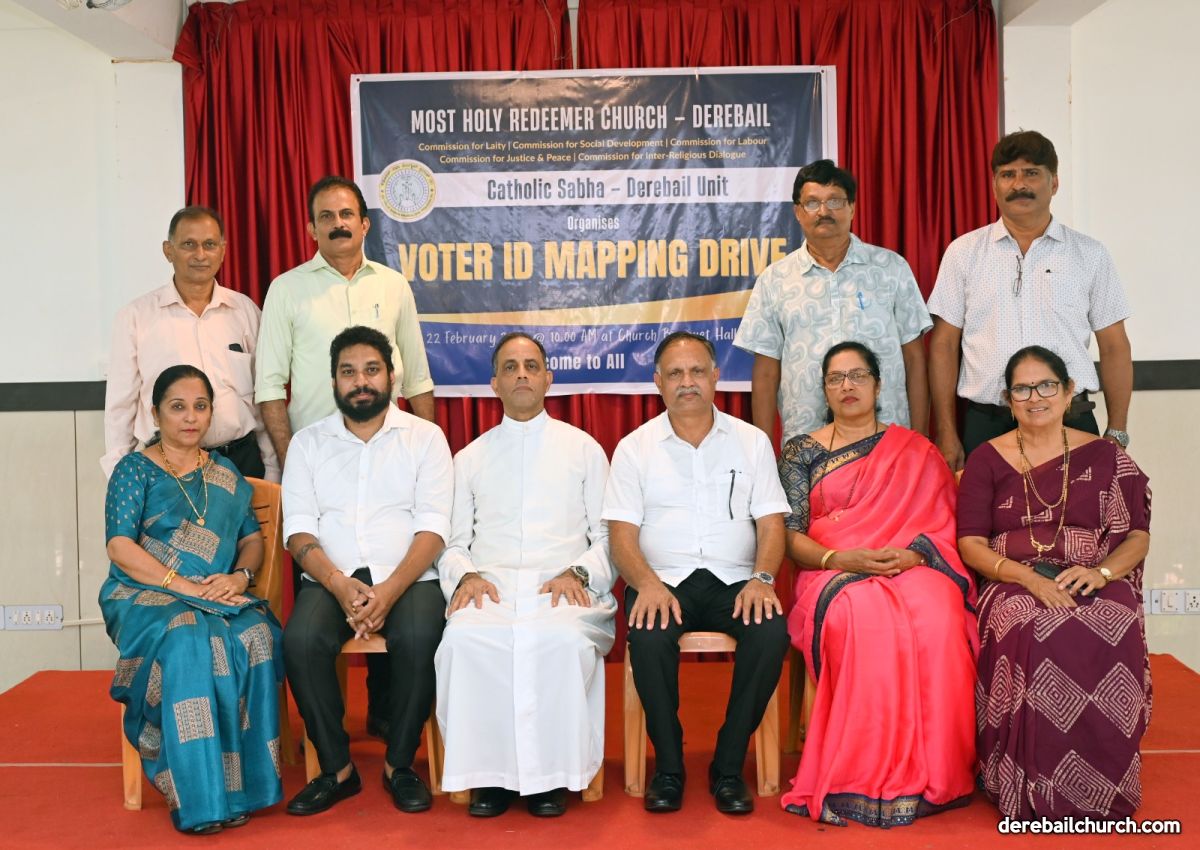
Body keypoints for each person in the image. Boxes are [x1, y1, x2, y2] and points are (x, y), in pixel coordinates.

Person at [257, 175, 436, 733]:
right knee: (321, 610)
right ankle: (329, 740)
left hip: (390, 460)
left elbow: (418, 378)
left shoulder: (394, 285)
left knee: (395, 585)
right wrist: (294, 463)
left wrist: (428, 454)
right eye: (325, 216)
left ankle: (388, 722)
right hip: (320, 468)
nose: (337, 224)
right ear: (311, 228)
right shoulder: (287, 289)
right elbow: (270, 387)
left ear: (365, 223)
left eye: (346, 214)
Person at [775, 341, 978, 827]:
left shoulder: (916, 450)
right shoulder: (802, 452)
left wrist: (913, 556)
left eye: (858, 376)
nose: (847, 386)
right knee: (865, 618)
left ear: (879, 385)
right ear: (825, 390)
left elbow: (944, 524)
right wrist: (840, 558)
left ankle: (939, 771)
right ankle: (858, 774)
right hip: (833, 570)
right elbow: (789, 535)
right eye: (836, 378)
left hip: (910, 564)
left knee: (939, 616)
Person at [958, 345, 1151, 820]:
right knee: (1032, 624)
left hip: (1092, 575)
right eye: (1022, 389)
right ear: (1008, 401)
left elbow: (1137, 535)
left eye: (1046, 386)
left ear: (1069, 392)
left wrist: (1101, 573)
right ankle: (1029, 785)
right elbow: (971, 544)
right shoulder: (987, 459)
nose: (1035, 398)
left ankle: (1102, 785)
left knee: (1115, 618)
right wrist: (1028, 578)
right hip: (1012, 580)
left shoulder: (1106, 455)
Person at [603, 331, 790, 815]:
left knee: (770, 632)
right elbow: (621, 535)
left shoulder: (751, 441)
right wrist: (647, 584)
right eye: (675, 373)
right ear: (658, 382)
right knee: (648, 635)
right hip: (662, 580)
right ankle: (669, 768)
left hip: (736, 580)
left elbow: (772, 523)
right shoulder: (634, 448)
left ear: (715, 376)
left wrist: (762, 579)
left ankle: (727, 765)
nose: (687, 382)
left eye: (697, 371)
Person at [436, 332, 615, 818]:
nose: (521, 375)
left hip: (563, 589)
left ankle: (550, 779)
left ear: (548, 379)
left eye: (531, 366)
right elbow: (452, 543)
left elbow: (608, 537)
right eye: (510, 367)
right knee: (465, 641)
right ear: (494, 383)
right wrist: (466, 577)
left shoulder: (583, 449)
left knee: (558, 641)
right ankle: (489, 777)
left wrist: (578, 572)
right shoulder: (468, 458)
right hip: (491, 590)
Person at [100, 364, 283, 834]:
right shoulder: (134, 469)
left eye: (200, 407)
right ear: (155, 413)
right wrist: (179, 584)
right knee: (188, 640)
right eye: (178, 407)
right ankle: (199, 798)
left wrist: (241, 577)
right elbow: (119, 547)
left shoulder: (225, 473)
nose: (190, 417)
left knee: (258, 635)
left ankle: (244, 789)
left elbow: (252, 539)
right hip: (144, 593)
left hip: (217, 595)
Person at [281, 325, 452, 816]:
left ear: (391, 376)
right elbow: (298, 531)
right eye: (348, 372)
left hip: (409, 576)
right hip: (330, 577)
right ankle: (337, 769)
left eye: (371, 370)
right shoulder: (308, 444)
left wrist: (390, 590)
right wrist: (337, 584)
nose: (361, 381)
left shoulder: (426, 438)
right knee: (300, 641)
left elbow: (434, 528)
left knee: (421, 638)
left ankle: (400, 765)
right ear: (333, 381)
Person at [928, 130, 1134, 469]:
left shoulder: (1090, 254)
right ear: (994, 185)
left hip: (1071, 421)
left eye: (1032, 173)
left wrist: (1117, 431)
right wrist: (947, 432)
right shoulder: (963, 253)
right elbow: (943, 345)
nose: (1019, 184)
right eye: (1007, 174)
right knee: (984, 507)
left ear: (1054, 183)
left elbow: (1114, 347)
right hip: (988, 424)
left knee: (1078, 507)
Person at [734, 159, 932, 444]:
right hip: (808, 443)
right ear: (798, 212)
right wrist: (763, 453)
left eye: (835, 201)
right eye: (812, 203)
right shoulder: (774, 280)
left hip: (887, 440)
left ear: (852, 207)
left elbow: (914, 360)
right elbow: (766, 374)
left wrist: (920, 441)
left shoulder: (891, 268)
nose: (824, 211)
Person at [103, 206, 278, 481]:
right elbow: (120, 407)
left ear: (223, 250)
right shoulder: (136, 317)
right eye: (188, 244)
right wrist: (120, 477)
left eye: (209, 244)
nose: (200, 254)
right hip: (167, 467)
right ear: (168, 251)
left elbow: (263, 396)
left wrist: (272, 468)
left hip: (241, 463)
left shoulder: (244, 310)